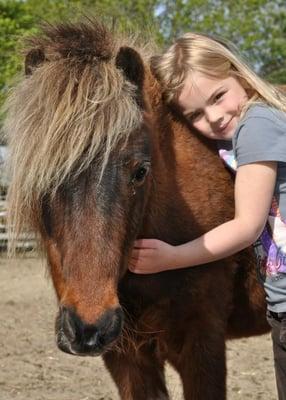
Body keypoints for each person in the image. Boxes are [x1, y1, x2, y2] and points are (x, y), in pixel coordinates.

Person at [129, 32, 286, 399]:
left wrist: (173, 257)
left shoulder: (255, 126)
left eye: (218, 96)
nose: (214, 118)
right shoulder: (250, 126)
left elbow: (246, 227)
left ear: (240, 75)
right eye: (194, 114)